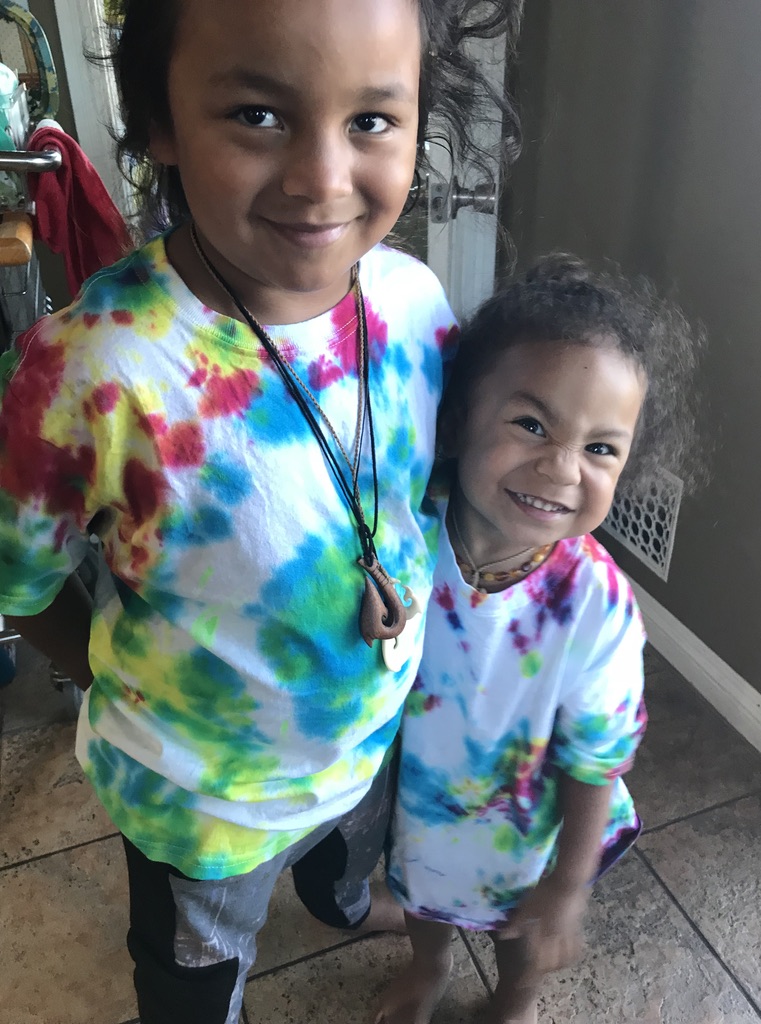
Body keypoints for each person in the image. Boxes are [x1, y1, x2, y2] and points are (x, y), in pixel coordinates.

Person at [0, 1, 522, 1022]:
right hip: (199, 808)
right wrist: (125, 688)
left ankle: (338, 899)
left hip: (365, 738)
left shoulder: (415, 303)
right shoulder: (92, 372)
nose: (322, 179)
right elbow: (19, 581)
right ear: (161, 120)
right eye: (258, 115)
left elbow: (421, 487)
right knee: (195, 974)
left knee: (345, 863)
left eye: (370, 120)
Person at [377, 254, 705, 1024]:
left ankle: (515, 1000)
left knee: (520, 941)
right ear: (460, 417)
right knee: (422, 901)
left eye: (601, 448)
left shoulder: (597, 607)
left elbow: (597, 760)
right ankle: (430, 967)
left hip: (532, 833)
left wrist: (566, 886)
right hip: (422, 802)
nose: (561, 468)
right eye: (531, 425)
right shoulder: (404, 533)